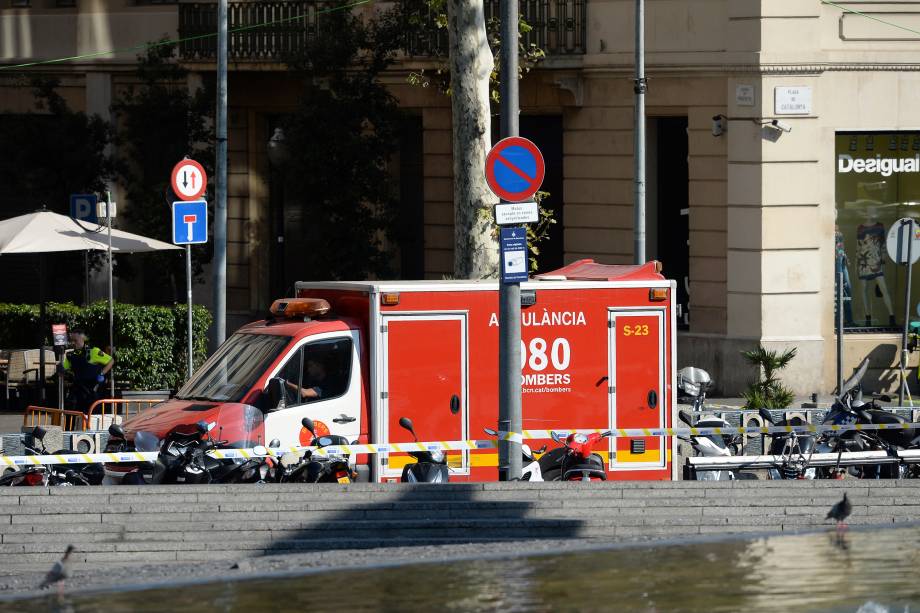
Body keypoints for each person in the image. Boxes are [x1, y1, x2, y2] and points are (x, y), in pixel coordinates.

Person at [59, 329, 114, 413]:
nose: (73, 343)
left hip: (91, 391)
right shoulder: (71, 355)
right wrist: (60, 368)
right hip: (78, 390)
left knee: (92, 414)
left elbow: (111, 361)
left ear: (82, 339)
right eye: (71, 341)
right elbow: (64, 368)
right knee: (72, 411)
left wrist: (102, 373)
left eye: (75, 340)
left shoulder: (93, 351)